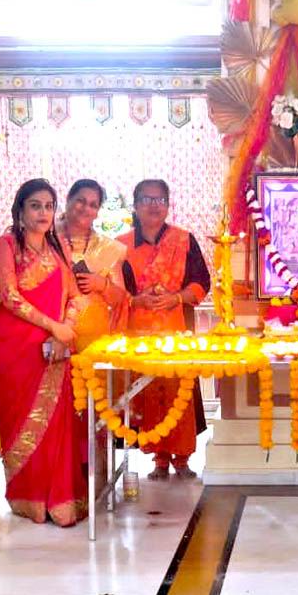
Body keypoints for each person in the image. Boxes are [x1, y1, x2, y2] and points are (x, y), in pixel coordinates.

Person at [0, 179, 87, 525]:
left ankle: (60, 498)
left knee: (59, 423)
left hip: (55, 347)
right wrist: (54, 326)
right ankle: (28, 498)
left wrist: (66, 329)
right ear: (20, 210)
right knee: (20, 422)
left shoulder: (58, 247)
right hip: (15, 348)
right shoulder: (5, 245)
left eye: (48, 206)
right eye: (35, 205)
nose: (43, 212)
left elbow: (76, 297)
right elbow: (9, 296)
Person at [118, 179, 210, 480]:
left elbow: (201, 282)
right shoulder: (120, 246)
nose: (154, 206)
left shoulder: (184, 240)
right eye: (147, 199)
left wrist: (177, 298)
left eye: (160, 200)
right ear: (135, 205)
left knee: (178, 393)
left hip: (177, 329)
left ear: (168, 205)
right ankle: (158, 458)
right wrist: (136, 300)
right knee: (148, 393)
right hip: (139, 334)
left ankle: (182, 459)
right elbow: (115, 292)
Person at [57, 179, 128, 351]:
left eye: (93, 205)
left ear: (97, 212)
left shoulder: (109, 248)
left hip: (93, 342)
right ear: (68, 200)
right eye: (80, 201)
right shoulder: (45, 240)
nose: (85, 208)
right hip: (51, 335)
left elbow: (119, 298)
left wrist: (102, 285)